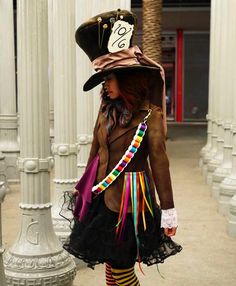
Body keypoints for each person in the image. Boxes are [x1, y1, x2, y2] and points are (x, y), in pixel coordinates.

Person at [62, 9, 182, 286]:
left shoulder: (150, 116)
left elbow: (160, 165)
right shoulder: (106, 111)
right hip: (102, 201)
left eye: (109, 78)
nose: (105, 86)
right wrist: (83, 188)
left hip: (131, 204)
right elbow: (95, 153)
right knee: (111, 266)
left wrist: (169, 210)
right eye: (103, 80)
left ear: (127, 79)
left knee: (122, 270)